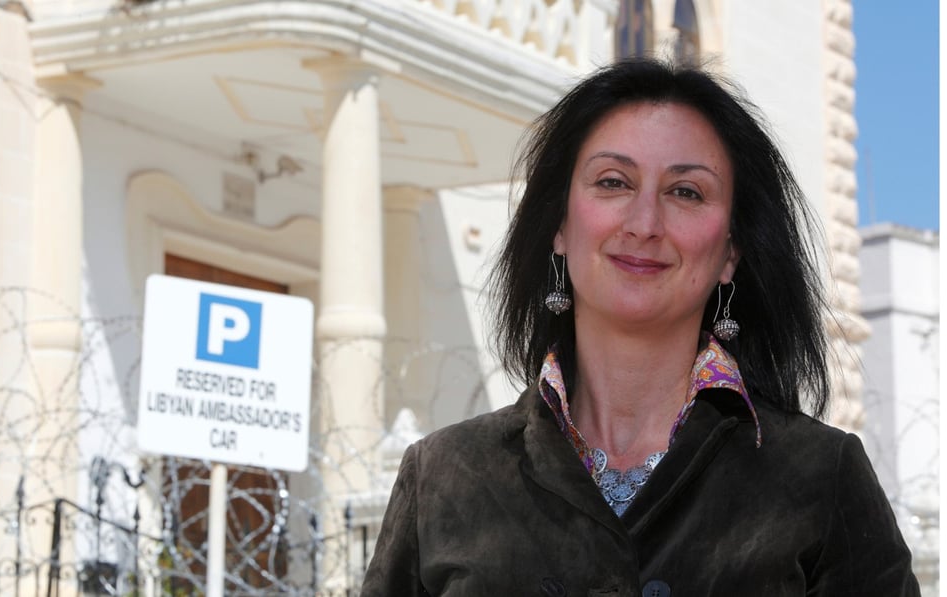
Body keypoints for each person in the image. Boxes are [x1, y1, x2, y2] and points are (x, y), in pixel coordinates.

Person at [361, 58, 919, 596]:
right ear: (559, 225)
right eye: (612, 182)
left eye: (686, 192)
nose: (644, 223)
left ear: (730, 252)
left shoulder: (820, 478)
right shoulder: (443, 477)